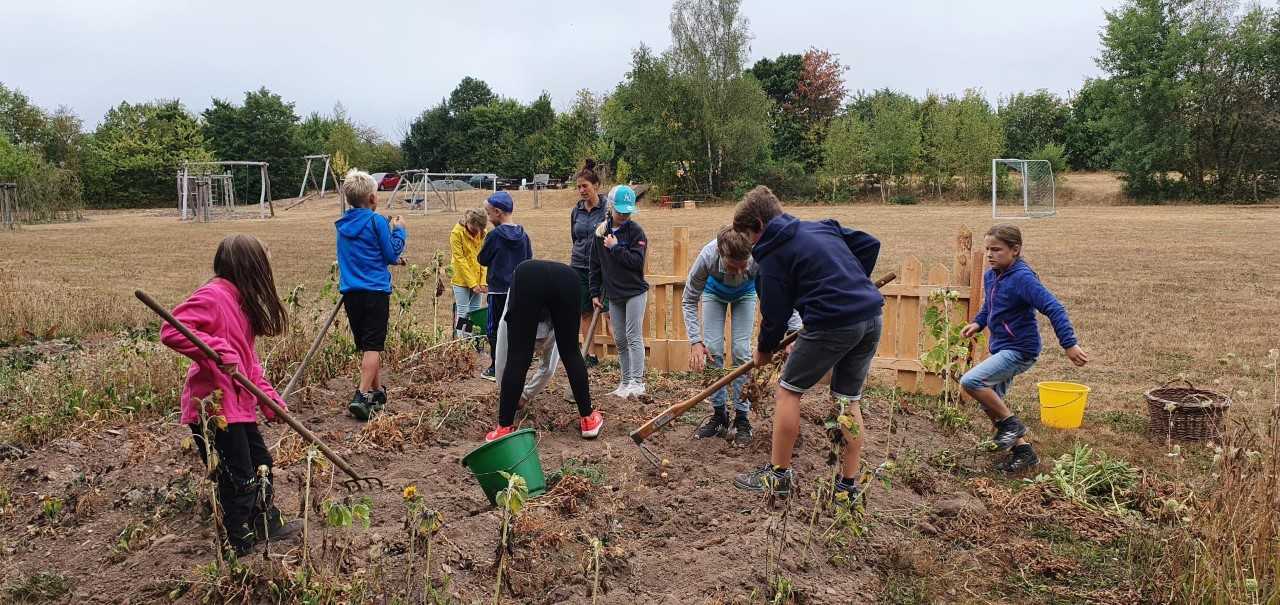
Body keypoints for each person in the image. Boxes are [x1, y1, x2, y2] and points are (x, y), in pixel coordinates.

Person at [729, 186, 884, 501]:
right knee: (847, 400)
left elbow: (774, 315)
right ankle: (848, 485)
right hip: (870, 316)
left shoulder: (771, 255)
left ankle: (778, 476)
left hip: (832, 322)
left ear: (759, 225)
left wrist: (763, 350)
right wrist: (852, 283)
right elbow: (869, 244)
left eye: (749, 236)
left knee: (788, 390)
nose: (750, 245)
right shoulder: (822, 226)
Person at [159, 234, 300, 557]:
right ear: (249, 268)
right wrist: (217, 351)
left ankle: (265, 523)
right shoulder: (214, 295)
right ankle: (240, 542)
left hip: (240, 407)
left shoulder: (240, 304)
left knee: (261, 463)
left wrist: (268, 398)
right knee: (237, 477)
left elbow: (248, 364)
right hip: (214, 410)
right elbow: (172, 329)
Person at [960, 224, 1089, 472]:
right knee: (990, 402)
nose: (989, 255)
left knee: (971, 382)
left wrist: (1069, 344)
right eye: (987, 249)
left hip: (1020, 349)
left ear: (1015, 250)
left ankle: (1011, 424)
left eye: (996, 249)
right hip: (1002, 348)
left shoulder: (1022, 278)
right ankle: (1023, 451)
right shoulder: (992, 275)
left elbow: (1054, 307)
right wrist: (978, 322)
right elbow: (991, 306)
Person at [684, 227, 801, 447]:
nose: (738, 272)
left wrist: (793, 332)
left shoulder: (760, 258)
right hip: (713, 293)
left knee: (741, 351)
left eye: (742, 266)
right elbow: (689, 299)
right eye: (731, 267)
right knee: (713, 350)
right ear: (720, 253)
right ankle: (719, 416)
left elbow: (783, 295)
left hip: (746, 294)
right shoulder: (707, 256)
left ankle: (742, 418)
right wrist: (695, 341)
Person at [484, 260, 605, 441]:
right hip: (567, 279)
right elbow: (553, 364)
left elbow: (504, 359)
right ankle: (588, 419)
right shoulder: (551, 327)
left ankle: (503, 428)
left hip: (528, 276)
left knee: (518, 356)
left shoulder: (547, 333)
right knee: (571, 352)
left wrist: (509, 397)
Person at [335, 169, 406, 421]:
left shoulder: (342, 224)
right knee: (374, 345)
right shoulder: (377, 222)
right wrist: (399, 231)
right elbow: (389, 253)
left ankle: (377, 391)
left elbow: (361, 253)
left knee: (366, 346)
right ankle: (361, 395)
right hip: (375, 291)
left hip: (351, 292)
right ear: (373, 199)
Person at [589, 185, 649, 398]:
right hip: (614, 294)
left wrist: (616, 248)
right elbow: (594, 265)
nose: (624, 215)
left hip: (634, 292)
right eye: (620, 211)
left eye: (627, 211)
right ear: (611, 208)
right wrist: (594, 292)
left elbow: (636, 262)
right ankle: (624, 383)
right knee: (621, 339)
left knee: (633, 336)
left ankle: (637, 382)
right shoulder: (600, 233)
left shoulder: (636, 232)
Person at [477, 190, 533, 381]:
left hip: (497, 290)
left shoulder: (494, 236)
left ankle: (496, 367)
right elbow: (529, 262)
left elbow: (482, 259)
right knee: (515, 329)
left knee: (494, 329)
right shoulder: (523, 235)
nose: (488, 217)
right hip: (518, 291)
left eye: (489, 213)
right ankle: (515, 366)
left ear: (498, 212)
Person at [570, 160, 608, 366]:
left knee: (608, 312)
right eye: (579, 187)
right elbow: (575, 238)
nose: (582, 190)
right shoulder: (576, 211)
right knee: (584, 310)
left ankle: (622, 355)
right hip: (578, 266)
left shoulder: (606, 210)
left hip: (601, 267)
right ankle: (590, 355)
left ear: (596, 186)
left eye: (585, 186)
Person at [451, 208, 488, 344]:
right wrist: (472, 284)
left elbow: (484, 259)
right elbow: (460, 260)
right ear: (468, 222)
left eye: (480, 229)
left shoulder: (483, 233)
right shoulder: (456, 233)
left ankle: (474, 341)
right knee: (463, 312)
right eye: (475, 228)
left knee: (475, 311)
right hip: (461, 279)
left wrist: (483, 282)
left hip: (478, 281)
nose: (477, 231)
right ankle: (462, 343)